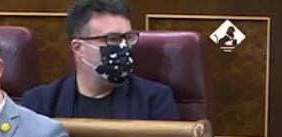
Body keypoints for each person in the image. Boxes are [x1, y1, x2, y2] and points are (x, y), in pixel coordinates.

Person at [22, 0, 179, 120]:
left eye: (128, 38)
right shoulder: (40, 103)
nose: (124, 46)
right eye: (112, 39)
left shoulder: (154, 102)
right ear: (78, 48)